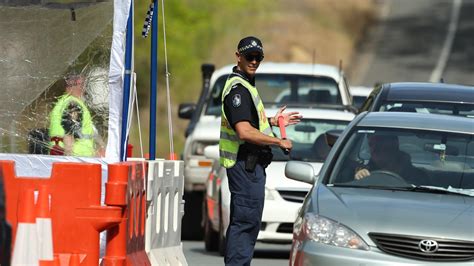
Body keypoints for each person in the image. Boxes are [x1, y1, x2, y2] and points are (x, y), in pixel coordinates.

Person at [219, 36, 302, 265]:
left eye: (258, 57)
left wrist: (274, 121)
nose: (254, 61)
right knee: (244, 226)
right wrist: (278, 143)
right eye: (249, 57)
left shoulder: (246, 85)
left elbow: (250, 121)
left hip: (250, 168)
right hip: (245, 167)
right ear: (238, 56)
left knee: (247, 225)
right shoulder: (238, 89)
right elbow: (244, 132)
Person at [49, 74, 97, 157]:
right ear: (71, 86)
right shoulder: (73, 104)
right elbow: (69, 131)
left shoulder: (63, 102)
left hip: (61, 153)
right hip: (76, 156)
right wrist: (69, 157)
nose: (83, 88)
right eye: (81, 85)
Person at [354, 134, 428, 185]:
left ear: (393, 144)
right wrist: (358, 177)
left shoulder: (418, 177)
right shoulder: (366, 173)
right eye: (371, 145)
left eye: (379, 144)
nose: (374, 149)